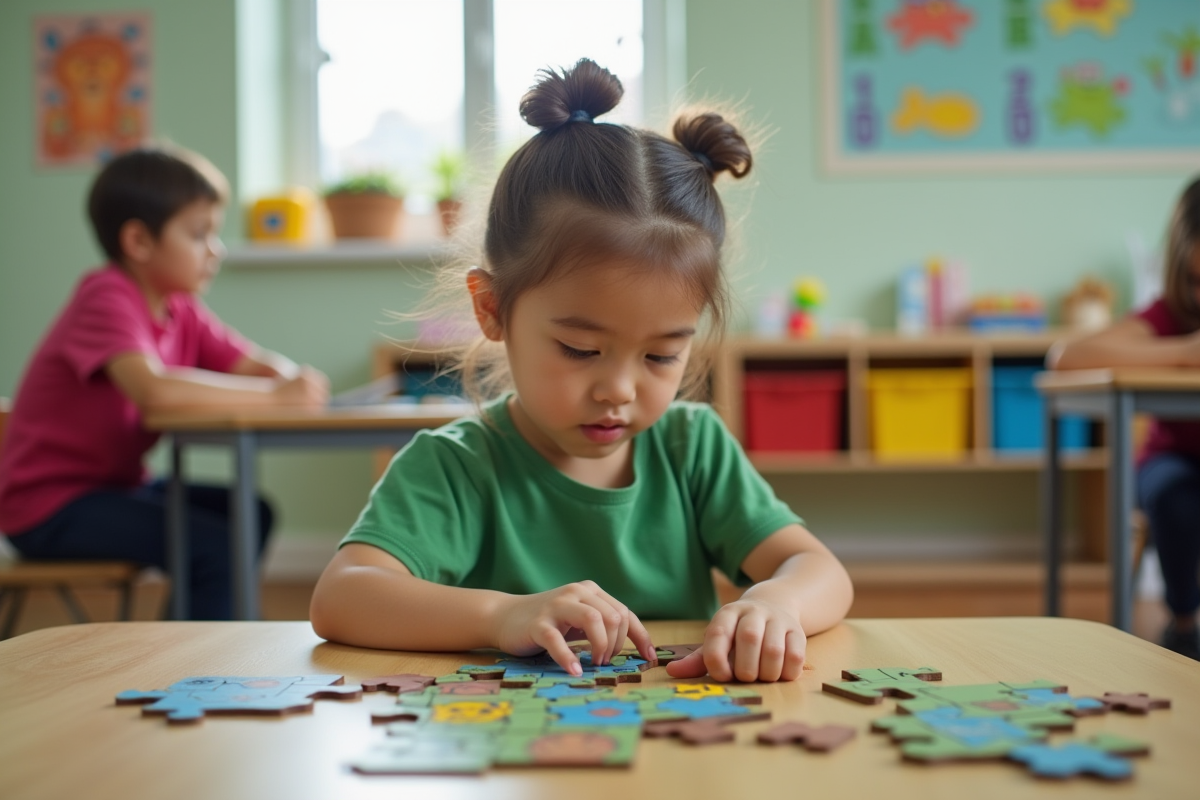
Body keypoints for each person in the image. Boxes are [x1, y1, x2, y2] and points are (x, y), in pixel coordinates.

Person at [310, 60, 853, 682]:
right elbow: (342, 596)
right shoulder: (455, 467)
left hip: (679, 750)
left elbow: (820, 572)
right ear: (492, 308)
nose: (618, 389)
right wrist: (502, 616)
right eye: (579, 349)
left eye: (660, 355)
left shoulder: (692, 447)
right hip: (508, 753)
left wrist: (775, 599)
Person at [0, 146, 329, 620]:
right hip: (50, 506)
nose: (215, 250)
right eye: (199, 234)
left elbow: (249, 361)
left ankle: (192, 646)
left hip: (115, 488)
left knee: (251, 513)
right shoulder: (106, 296)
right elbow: (153, 389)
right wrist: (276, 395)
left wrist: (288, 375)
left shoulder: (180, 308)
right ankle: (189, 672)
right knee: (214, 546)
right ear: (138, 241)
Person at [1050, 175, 1200, 660]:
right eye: (1197, 282)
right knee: (1172, 495)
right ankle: (1184, 625)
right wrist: (1182, 352)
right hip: (1174, 459)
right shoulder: (1166, 318)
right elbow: (1066, 357)